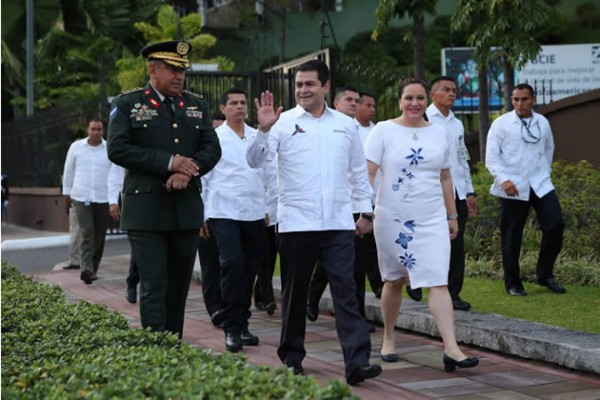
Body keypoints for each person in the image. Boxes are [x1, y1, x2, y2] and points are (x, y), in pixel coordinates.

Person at [247, 59, 382, 385]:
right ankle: (292, 356)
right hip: (296, 223)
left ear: (325, 86)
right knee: (294, 295)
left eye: (309, 84)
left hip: (337, 223)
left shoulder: (346, 125)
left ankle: (357, 361)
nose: (303, 90)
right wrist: (263, 130)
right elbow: (254, 161)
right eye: (299, 85)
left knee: (347, 293)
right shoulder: (281, 123)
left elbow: (357, 173)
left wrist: (366, 212)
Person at [107, 40, 221, 339]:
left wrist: (188, 170)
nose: (179, 76)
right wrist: (170, 162)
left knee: (178, 286)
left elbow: (212, 148)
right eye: (172, 69)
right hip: (146, 211)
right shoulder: (128, 103)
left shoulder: (197, 105)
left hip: (185, 209)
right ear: (153, 69)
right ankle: (156, 347)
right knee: (155, 284)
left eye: (182, 69)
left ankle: (174, 346)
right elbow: (118, 149)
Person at [364, 78, 478, 372]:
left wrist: (452, 216)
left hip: (432, 219)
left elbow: (445, 176)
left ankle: (451, 348)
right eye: (408, 98)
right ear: (399, 101)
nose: (414, 103)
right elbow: (368, 174)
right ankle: (389, 336)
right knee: (394, 280)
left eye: (420, 98)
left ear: (427, 101)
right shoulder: (383, 131)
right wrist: (363, 211)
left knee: (439, 281)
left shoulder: (439, 133)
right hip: (392, 218)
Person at [202, 88, 267, 353]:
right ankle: (231, 327)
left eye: (243, 103)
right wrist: (202, 214)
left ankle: (242, 323)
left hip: (253, 210)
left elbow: (268, 171)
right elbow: (204, 177)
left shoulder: (258, 135)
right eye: (233, 103)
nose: (239, 107)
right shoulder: (214, 138)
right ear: (223, 108)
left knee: (249, 268)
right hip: (222, 210)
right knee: (231, 263)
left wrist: (268, 206)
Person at [485, 83, 565, 296]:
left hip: (540, 184)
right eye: (515, 99)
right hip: (513, 186)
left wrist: (545, 173)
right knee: (512, 235)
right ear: (512, 100)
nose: (520, 104)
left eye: (524, 99)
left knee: (555, 225)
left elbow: (549, 149)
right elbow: (491, 158)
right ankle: (513, 283)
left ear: (533, 99)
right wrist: (503, 179)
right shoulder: (501, 124)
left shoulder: (542, 122)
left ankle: (544, 274)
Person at [406, 76, 478, 311]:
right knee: (423, 238)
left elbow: (461, 158)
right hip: (428, 190)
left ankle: (453, 292)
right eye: (446, 90)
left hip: (455, 191)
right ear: (433, 95)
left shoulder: (456, 123)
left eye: (454, 90)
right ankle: (413, 279)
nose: (452, 94)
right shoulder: (423, 118)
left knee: (456, 245)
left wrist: (469, 191)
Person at [62, 119, 112, 285]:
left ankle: (93, 269)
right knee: (87, 231)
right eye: (93, 129)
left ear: (103, 131)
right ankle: (86, 269)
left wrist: (114, 198)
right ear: (87, 130)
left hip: (103, 197)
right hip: (80, 196)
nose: (96, 132)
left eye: (99, 129)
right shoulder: (76, 148)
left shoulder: (109, 149)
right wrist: (66, 193)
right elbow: (68, 171)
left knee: (99, 235)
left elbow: (116, 174)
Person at [107, 163, 139, 304]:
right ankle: (132, 282)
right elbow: (114, 177)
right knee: (139, 248)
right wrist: (113, 201)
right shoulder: (127, 145)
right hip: (133, 204)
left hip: (158, 204)